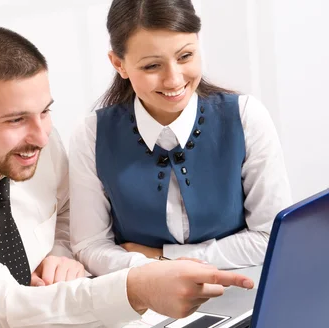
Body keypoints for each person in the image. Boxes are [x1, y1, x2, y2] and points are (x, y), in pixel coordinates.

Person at [0, 27, 254, 328]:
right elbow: (4, 310)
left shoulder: (36, 146)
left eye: (45, 111)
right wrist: (137, 287)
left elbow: (67, 211)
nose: (40, 135)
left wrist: (58, 253)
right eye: (16, 119)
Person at [69, 0, 292, 277]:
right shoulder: (91, 135)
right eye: (152, 66)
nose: (173, 80)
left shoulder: (246, 117)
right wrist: (160, 275)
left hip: (241, 291)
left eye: (185, 56)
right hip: (140, 302)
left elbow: (272, 236)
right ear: (119, 64)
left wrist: (163, 258)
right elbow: (89, 247)